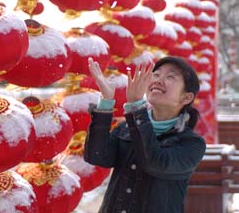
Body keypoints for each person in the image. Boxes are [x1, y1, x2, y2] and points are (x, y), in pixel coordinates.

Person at [84, 56, 206, 213]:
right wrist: (106, 101)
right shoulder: (127, 128)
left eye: (170, 77)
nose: (158, 80)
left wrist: (136, 107)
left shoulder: (192, 144)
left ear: (187, 97)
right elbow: (97, 156)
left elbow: (154, 162)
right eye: (156, 75)